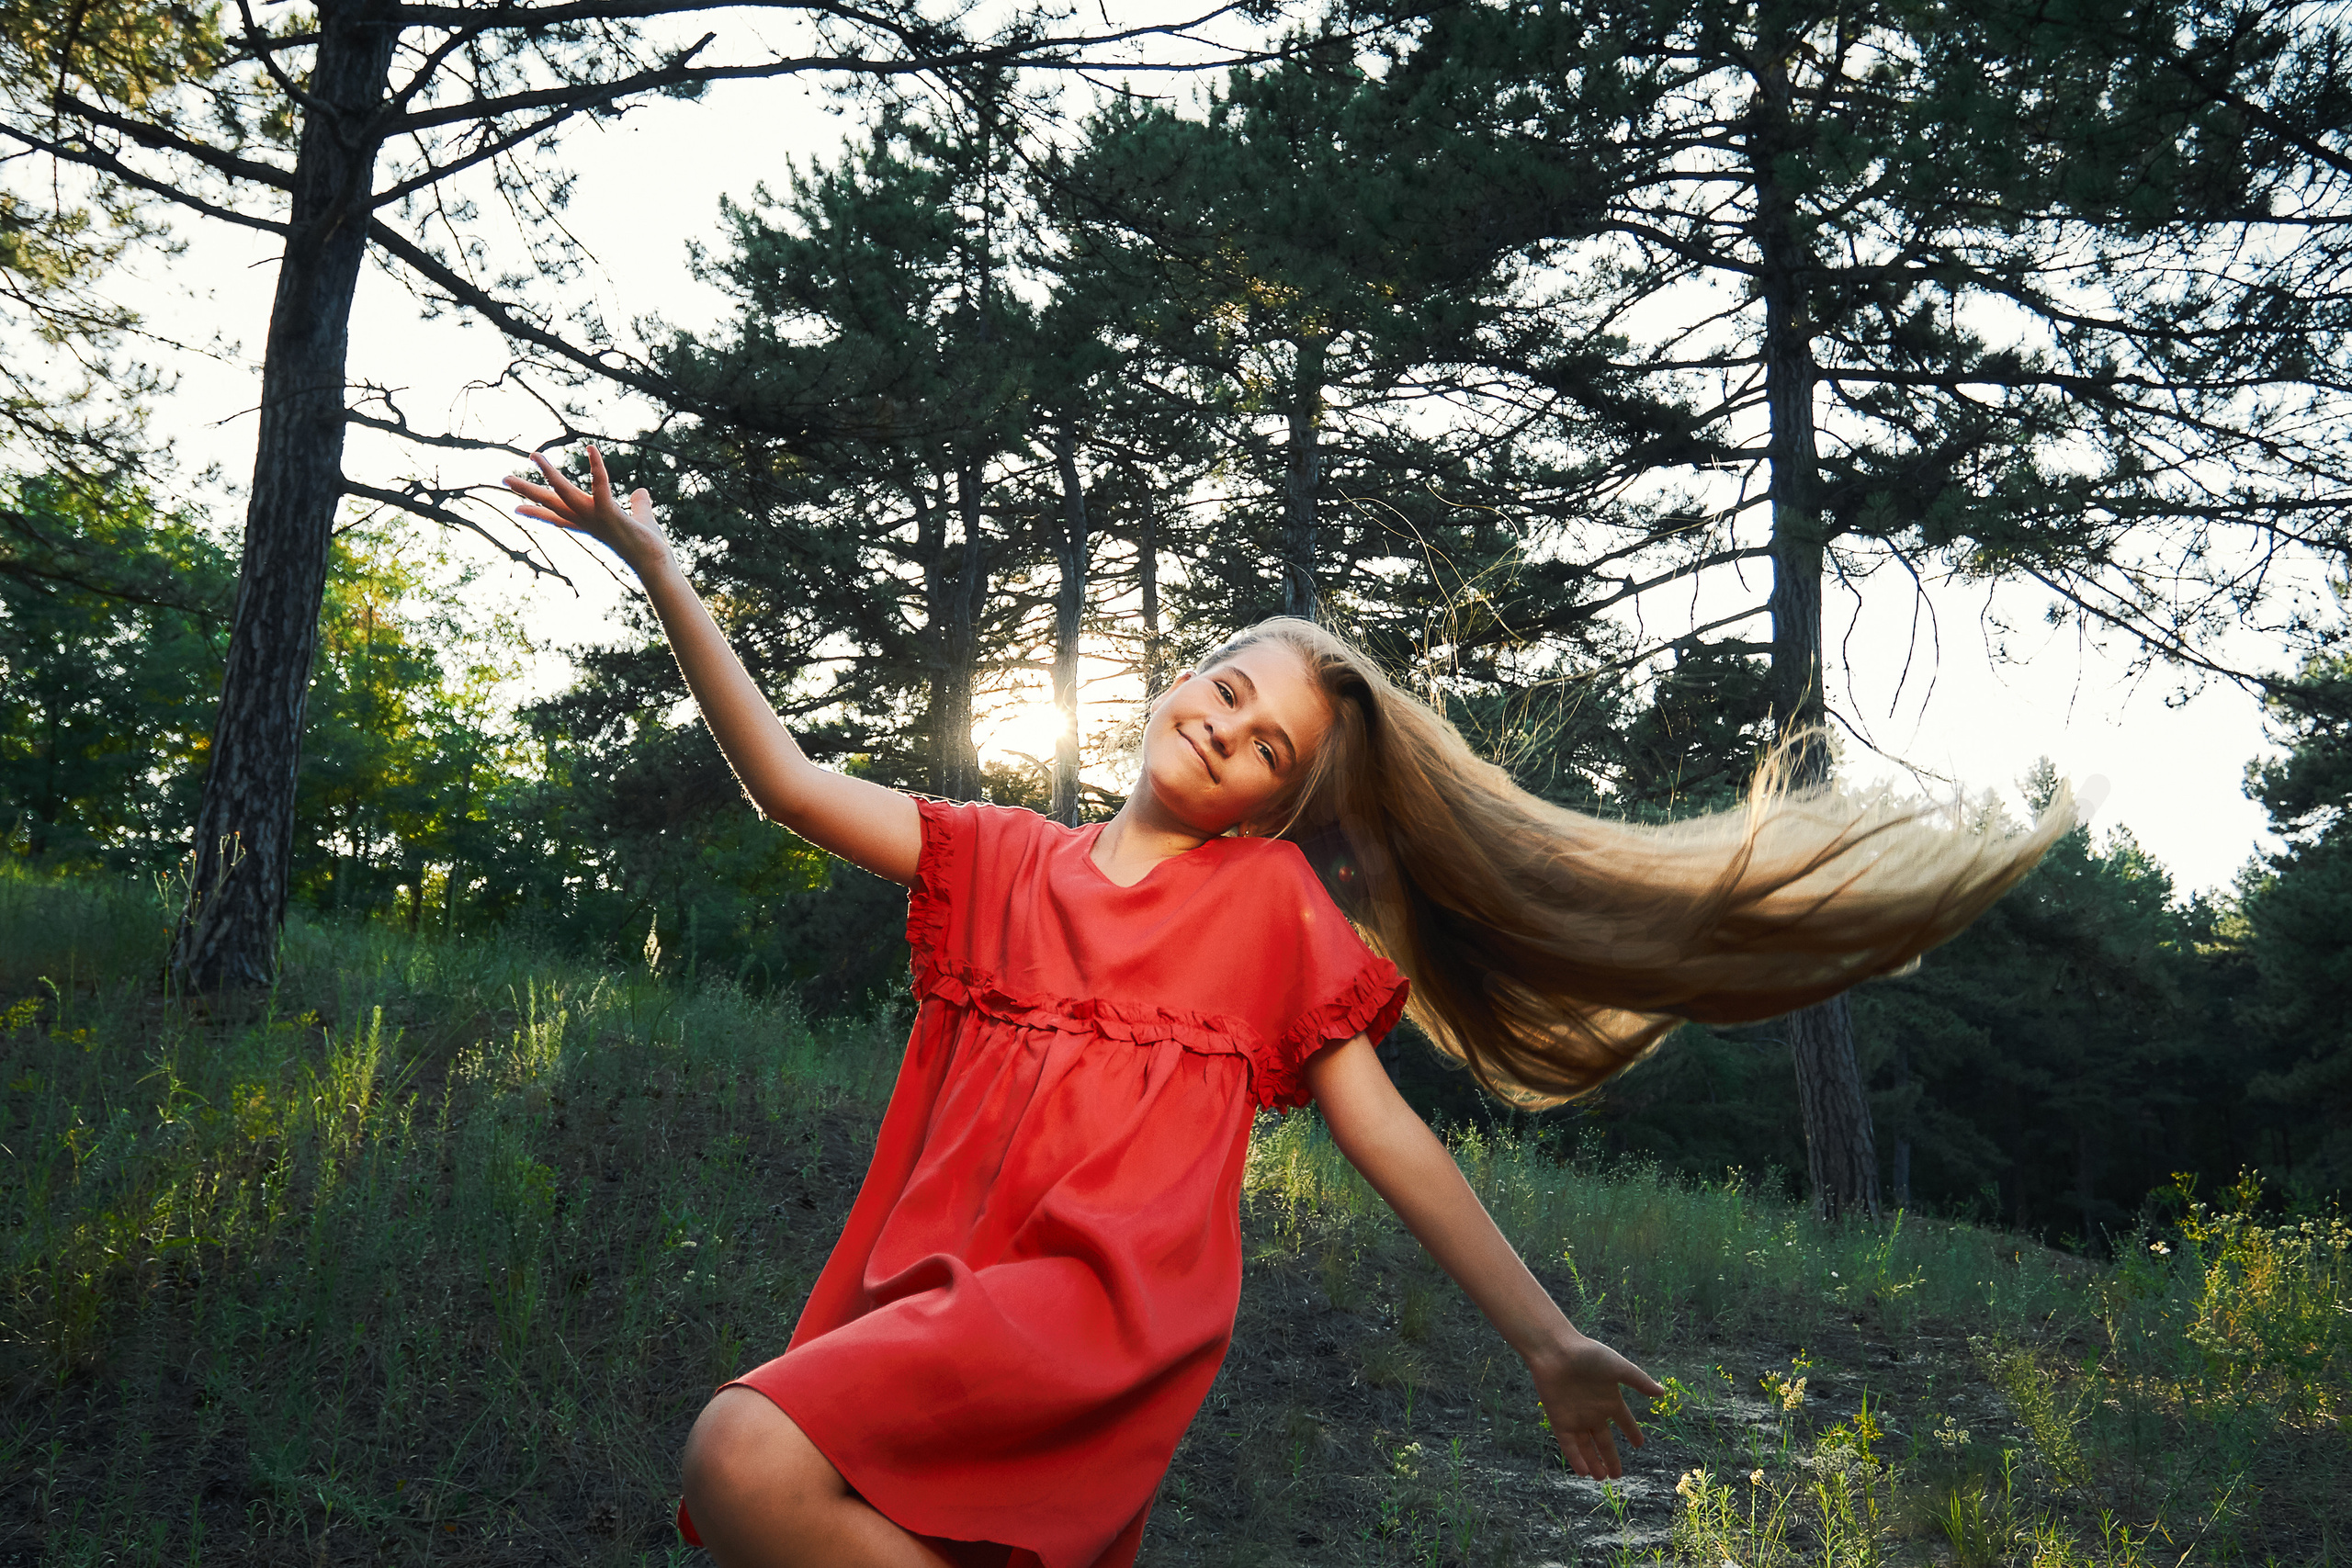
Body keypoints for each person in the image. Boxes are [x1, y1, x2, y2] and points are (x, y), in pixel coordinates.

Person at [505, 447, 2076, 1568]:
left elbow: (1394, 1143)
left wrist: (1546, 1341)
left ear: (1275, 808)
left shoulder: (1263, 913)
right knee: (806, 1512)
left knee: (741, 1449)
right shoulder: (988, 860)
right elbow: (783, 780)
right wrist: (661, 566)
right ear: (1174, 674)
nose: (1224, 729)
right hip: (936, 1287)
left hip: (1094, 1307)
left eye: (1265, 749)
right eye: (1225, 686)